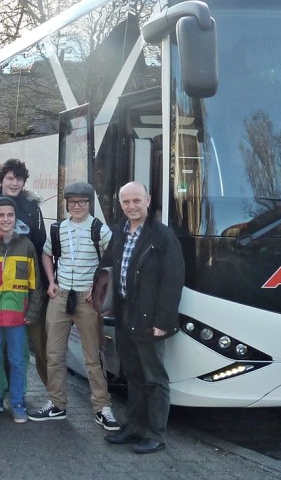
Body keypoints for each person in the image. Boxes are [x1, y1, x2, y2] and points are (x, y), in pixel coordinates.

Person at [101, 182, 184, 455]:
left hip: (150, 318)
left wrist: (163, 321)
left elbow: (172, 281)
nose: (131, 206)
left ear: (147, 200)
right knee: (133, 375)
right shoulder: (120, 232)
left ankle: (156, 434)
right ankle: (134, 427)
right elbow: (109, 267)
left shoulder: (162, 236)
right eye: (126, 202)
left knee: (154, 378)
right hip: (126, 314)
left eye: (136, 200)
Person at [30, 182, 120, 431]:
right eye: (72, 202)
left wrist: (98, 287)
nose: (77, 206)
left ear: (89, 204)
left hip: (87, 299)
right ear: (67, 204)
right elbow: (47, 254)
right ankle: (57, 404)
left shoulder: (99, 229)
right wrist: (51, 282)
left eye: (82, 202)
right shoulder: (58, 229)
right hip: (60, 297)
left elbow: (112, 260)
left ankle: (102, 407)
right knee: (54, 354)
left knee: (93, 356)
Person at [0, 158, 48, 408]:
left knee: (22, 351)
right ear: (1, 180)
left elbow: (39, 242)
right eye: (10, 178)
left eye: (19, 178)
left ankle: (23, 396)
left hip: (23, 287)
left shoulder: (31, 206)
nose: (14, 183)